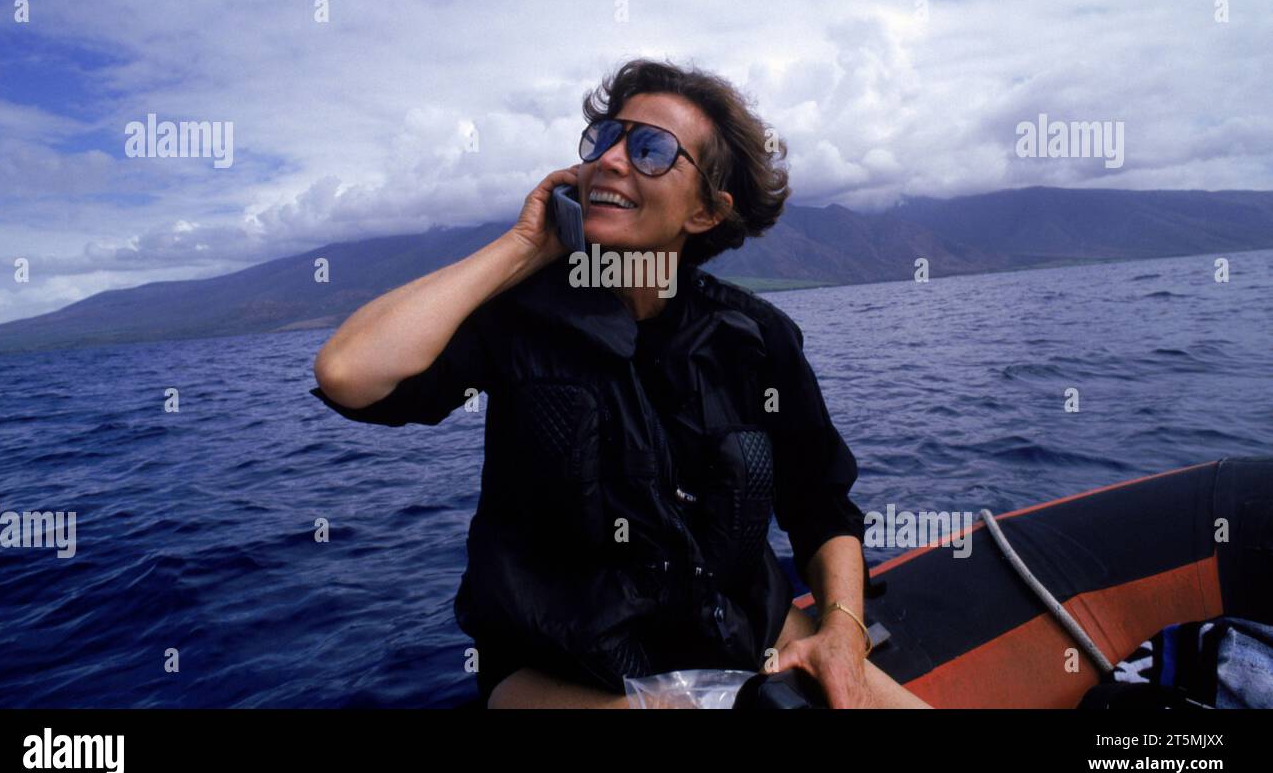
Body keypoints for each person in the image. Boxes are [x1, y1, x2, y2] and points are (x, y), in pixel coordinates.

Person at [311, 57, 931, 709]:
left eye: (650, 149)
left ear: (704, 211)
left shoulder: (756, 337)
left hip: (749, 633)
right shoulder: (518, 323)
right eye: (605, 138)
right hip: (565, 673)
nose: (609, 159)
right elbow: (349, 372)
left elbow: (821, 504)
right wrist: (522, 246)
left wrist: (840, 628)